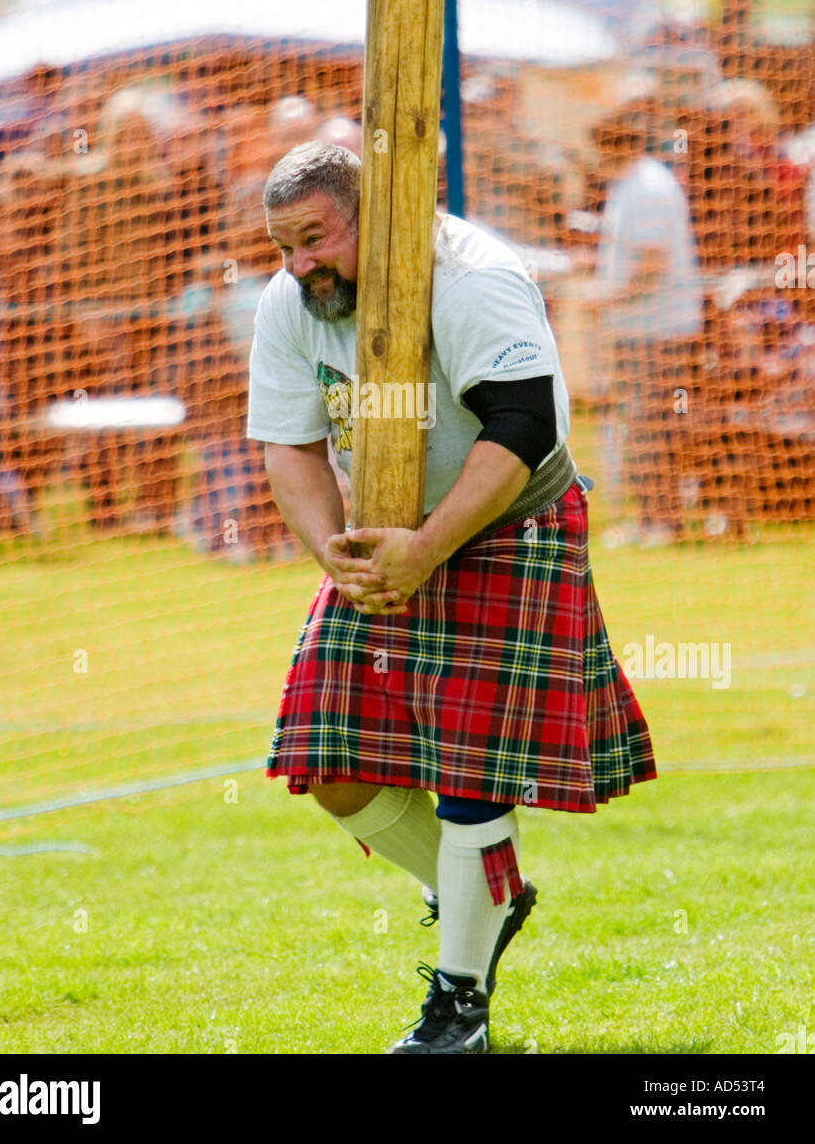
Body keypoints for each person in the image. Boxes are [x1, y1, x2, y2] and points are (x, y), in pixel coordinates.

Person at [247, 142, 657, 1054]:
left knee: (472, 771)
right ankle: (481, 896)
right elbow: (289, 444)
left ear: (376, 212)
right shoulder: (293, 303)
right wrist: (339, 559)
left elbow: (522, 422)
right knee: (333, 764)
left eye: (315, 238)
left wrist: (431, 548)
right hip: (387, 536)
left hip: (507, 522)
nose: (298, 264)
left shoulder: (474, 279)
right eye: (283, 245)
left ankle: (457, 1011)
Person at [593, 87, 704, 545]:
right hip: (640, 332)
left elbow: (653, 264)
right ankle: (649, 519)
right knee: (640, 426)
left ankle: (662, 521)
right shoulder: (631, 184)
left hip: (658, 332)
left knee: (652, 427)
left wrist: (605, 297)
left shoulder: (647, 187)